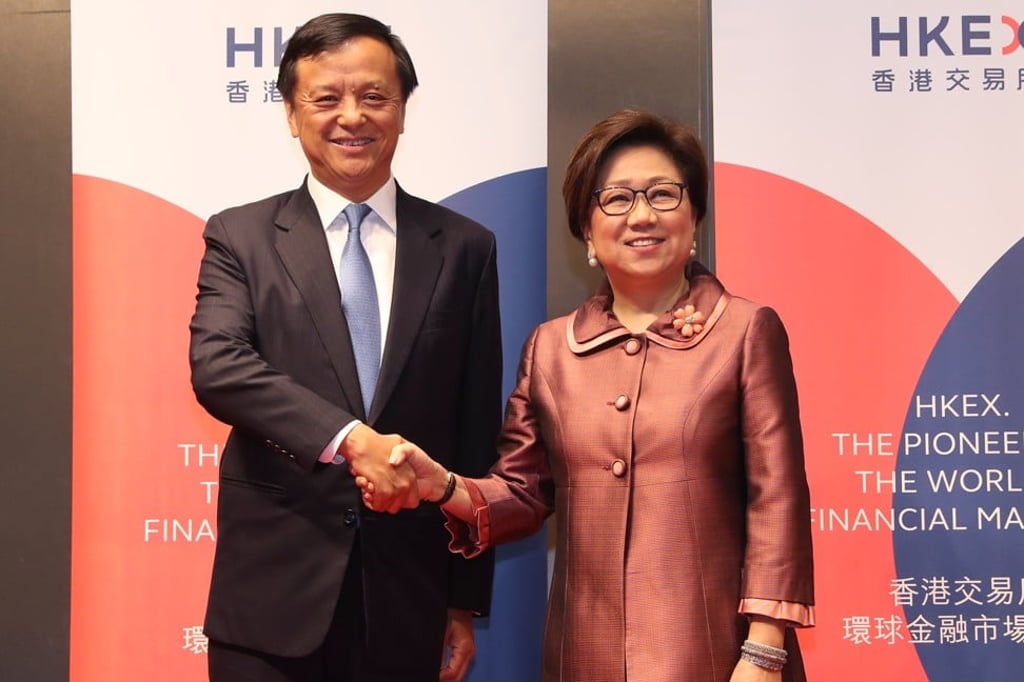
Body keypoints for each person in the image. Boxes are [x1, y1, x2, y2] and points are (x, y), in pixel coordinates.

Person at [364, 109, 815, 682]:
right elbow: (523, 494)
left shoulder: (745, 331)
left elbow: (776, 498)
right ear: (586, 230)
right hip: (584, 656)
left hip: (717, 656)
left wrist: (763, 652)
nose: (642, 215)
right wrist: (444, 486)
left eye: (663, 194)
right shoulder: (551, 349)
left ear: (695, 215)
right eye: (617, 199)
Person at [188, 12, 502, 682]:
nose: (352, 116)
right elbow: (219, 367)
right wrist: (351, 438)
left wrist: (462, 602)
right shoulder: (240, 237)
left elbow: (473, 430)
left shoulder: (465, 248)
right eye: (326, 99)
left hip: (408, 598)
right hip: (270, 604)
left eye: (375, 96)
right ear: (292, 115)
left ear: (403, 109)